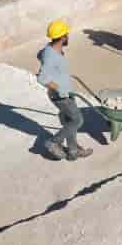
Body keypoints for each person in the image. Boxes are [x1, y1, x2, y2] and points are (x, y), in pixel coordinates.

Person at [37, 21, 92, 160]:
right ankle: (54, 142)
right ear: (62, 37)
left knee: (70, 121)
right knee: (77, 120)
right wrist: (60, 88)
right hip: (61, 96)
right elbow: (42, 78)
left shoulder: (49, 50)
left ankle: (73, 151)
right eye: (66, 34)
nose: (68, 36)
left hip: (65, 93)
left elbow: (39, 55)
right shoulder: (51, 55)